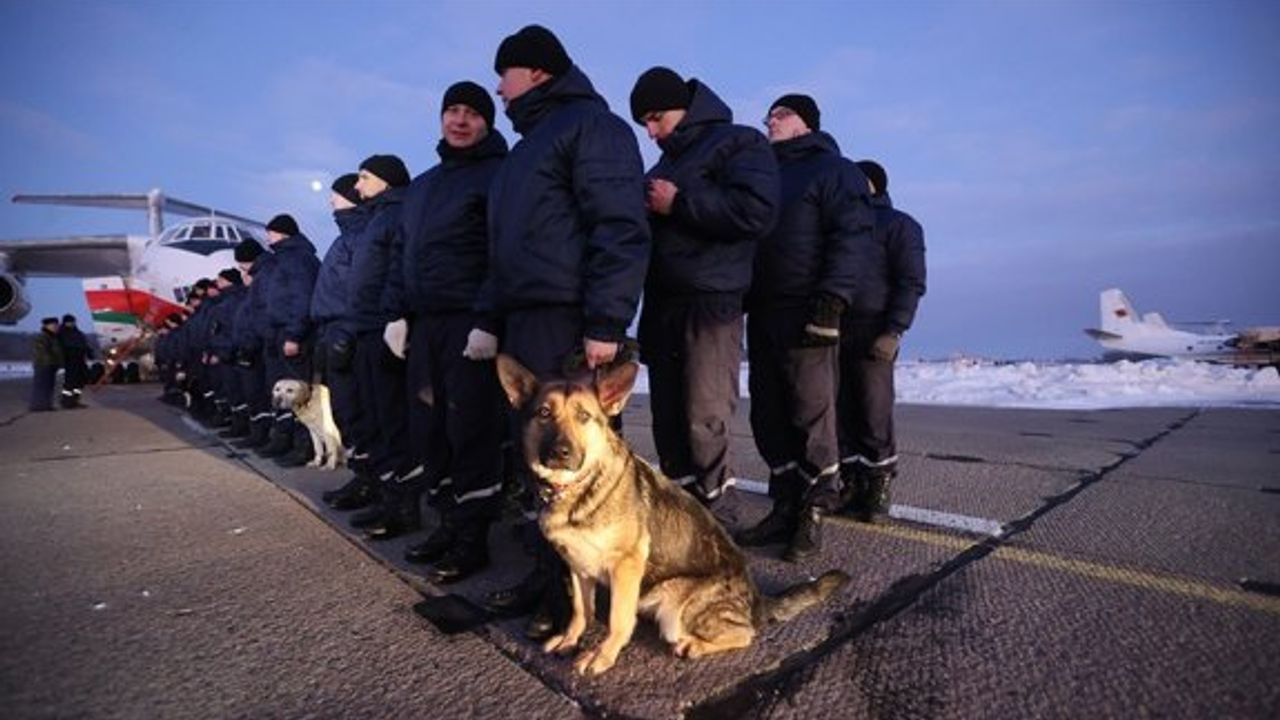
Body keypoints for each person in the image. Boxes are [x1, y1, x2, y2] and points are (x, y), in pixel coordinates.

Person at [476, 25, 650, 637]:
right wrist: (489, 319)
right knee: (537, 459)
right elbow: (505, 249)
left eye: (504, 75)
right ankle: (550, 575)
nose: (499, 89)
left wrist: (606, 320)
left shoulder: (592, 128)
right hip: (524, 318)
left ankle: (585, 593)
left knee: (580, 460)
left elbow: (619, 226)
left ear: (536, 73)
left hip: (569, 317)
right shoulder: (526, 149)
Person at [628, 66, 779, 507]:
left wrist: (678, 203)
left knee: (704, 415)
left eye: (656, 118)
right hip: (662, 305)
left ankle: (719, 519)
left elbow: (756, 212)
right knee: (668, 421)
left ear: (682, 107)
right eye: (644, 124)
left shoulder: (740, 142)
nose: (652, 132)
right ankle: (680, 520)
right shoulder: (662, 165)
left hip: (711, 303)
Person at [734, 93, 874, 561]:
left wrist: (833, 301)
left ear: (807, 123)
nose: (771, 121)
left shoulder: (835, 171)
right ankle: (784, 506)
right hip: (764, 310)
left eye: (782, 114)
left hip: (809, 309)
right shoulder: (765, 176)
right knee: (768, 413)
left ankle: (813, 509)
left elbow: (852, 237)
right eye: (769, 115)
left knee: (811, 414)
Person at [382, 81, 509, 582]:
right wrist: (397, 313)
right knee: (430, 429)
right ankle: (447, 522)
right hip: (425, 324)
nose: (459, 120)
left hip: (467, 322)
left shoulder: (498, 175)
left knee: (469, 428)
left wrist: (487, 320)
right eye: (451, 111)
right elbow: (401, 252)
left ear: (487, 122)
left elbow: (503, 251)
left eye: (471, 113)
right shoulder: (423, 186)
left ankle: (472, 537)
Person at [838, 159, 926, 522]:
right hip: (836, 327)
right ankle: (852, 483)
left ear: (872, 184)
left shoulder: (900, 225)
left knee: (874, 410)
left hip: (875, 328)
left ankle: (879, 488)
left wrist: (894, 330)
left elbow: (911, 281)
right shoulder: (840, 224)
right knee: (841, 410)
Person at [346, 154, 420, 539]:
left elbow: (400, 267)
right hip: (366, 326)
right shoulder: (377, 217)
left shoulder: (397, 214)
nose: (357, 186)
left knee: (394, 420)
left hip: (384, 326)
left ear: (386, 180)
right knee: (376, 417)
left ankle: (404, 506)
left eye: (364, 177)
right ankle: (386, 495)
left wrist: (396, 316)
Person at [314, 174, 375, 508]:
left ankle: (370, 481)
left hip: (346, 331)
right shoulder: (348, 236)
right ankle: (362, 475)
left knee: (357, 411)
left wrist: (347, 332)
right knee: (345, 411)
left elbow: (360, 289)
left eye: (335, 194)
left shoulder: (360, 235)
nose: (330, 200)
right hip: (333, 331)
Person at [256, 214, 322, 466]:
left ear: (282, 233)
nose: (268, 237)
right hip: (279, 333)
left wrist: (294, 334)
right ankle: (286, 440)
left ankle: (304, 446)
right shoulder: (283, 259)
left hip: (293, 334)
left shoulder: (298, 259)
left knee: (299, 394)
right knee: (284, 395)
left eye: (270, 232)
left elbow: (302, 297)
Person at [56, 314, 92, 408]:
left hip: (80, 360)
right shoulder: (61, 333)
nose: (71, 323)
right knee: (70, 382)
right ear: (65, 322)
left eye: (72, 322)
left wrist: (89, 352)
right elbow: (59, 348)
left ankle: (75, 400)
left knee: (80, 381)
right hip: (69, 360)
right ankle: (66, 401)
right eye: (69, 322)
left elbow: (84, 344)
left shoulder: (78, 333)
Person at [30, 317, 63, 411]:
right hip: (43, 365)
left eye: (56, 325)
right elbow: (42, 352)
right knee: (41, 386)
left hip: (51, 365)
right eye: (53, 325)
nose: (55, 327)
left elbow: (57, 352)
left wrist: (58, 362)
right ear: (46, 326)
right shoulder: (42, 337)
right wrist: (52, 360)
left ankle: (46, 404)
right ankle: (37, 405)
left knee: (49, 386)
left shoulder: (54, 337)